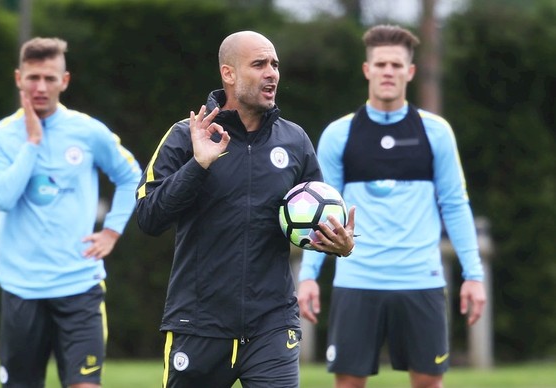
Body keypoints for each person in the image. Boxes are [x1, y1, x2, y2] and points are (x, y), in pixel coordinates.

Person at [135, 30, 356, 388]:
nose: (272, 73)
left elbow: (317, 222)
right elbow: (149, 216)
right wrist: (198, 165)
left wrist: (342, 244)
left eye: (275, 64)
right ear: (229, 73)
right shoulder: (185, 135)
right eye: (259, 64)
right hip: (198, 325)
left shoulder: (294, 141)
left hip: (272, 324)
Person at [297, 24, 487, 388]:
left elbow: (455, 205)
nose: (388, 71)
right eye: (381, 64)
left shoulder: (436, 132)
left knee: (429, 383)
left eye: (397, 65)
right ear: (367, 70)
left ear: (410, 72)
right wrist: (309, 275)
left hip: (421, 280)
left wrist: (473, 275)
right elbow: (322, 213)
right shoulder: (339, 134)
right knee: (349, 384)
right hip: (357, 279)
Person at [0, 37, 142, 388]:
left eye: (49, 78)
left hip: (79, 285)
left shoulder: (88, 131)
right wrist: (33, 143)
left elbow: (131, 176)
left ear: (64, 81)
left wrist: (112, 231)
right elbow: (2, 199)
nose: (41, 87)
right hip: (21, 287)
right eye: (33, 77)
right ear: (18, 78)